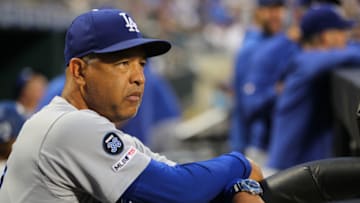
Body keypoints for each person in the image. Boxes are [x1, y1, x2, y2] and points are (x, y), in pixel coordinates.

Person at [0, 8, 264, 203]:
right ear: (79, 72)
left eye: (141, 64)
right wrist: (239, 163)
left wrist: (237, 185)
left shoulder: (93, 128)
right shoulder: (68, 125)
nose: (138, 77)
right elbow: (180, 190)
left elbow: (176, 174)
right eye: (122, 63)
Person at [266, 4, 360, 171]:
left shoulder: (307, 60)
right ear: (326, 37)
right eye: (340, 32)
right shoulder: (304, 62)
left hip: (297, 169)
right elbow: (351, 53)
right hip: (284, 175)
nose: (345, 38)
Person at [230, 0, 286, 152]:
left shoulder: (276, 41)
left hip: (269, 140)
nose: (277, 15)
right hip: (253, 142)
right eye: (270, 9)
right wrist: (276, 91)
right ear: (258, 11)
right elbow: (249, 104)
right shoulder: (251, 48)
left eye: (279, 9)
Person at [0, 68, 47, 171]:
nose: (39, 88)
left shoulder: (45, 113)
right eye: (32, 85)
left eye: (41, 85)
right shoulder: (9, 110)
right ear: (23, 89)